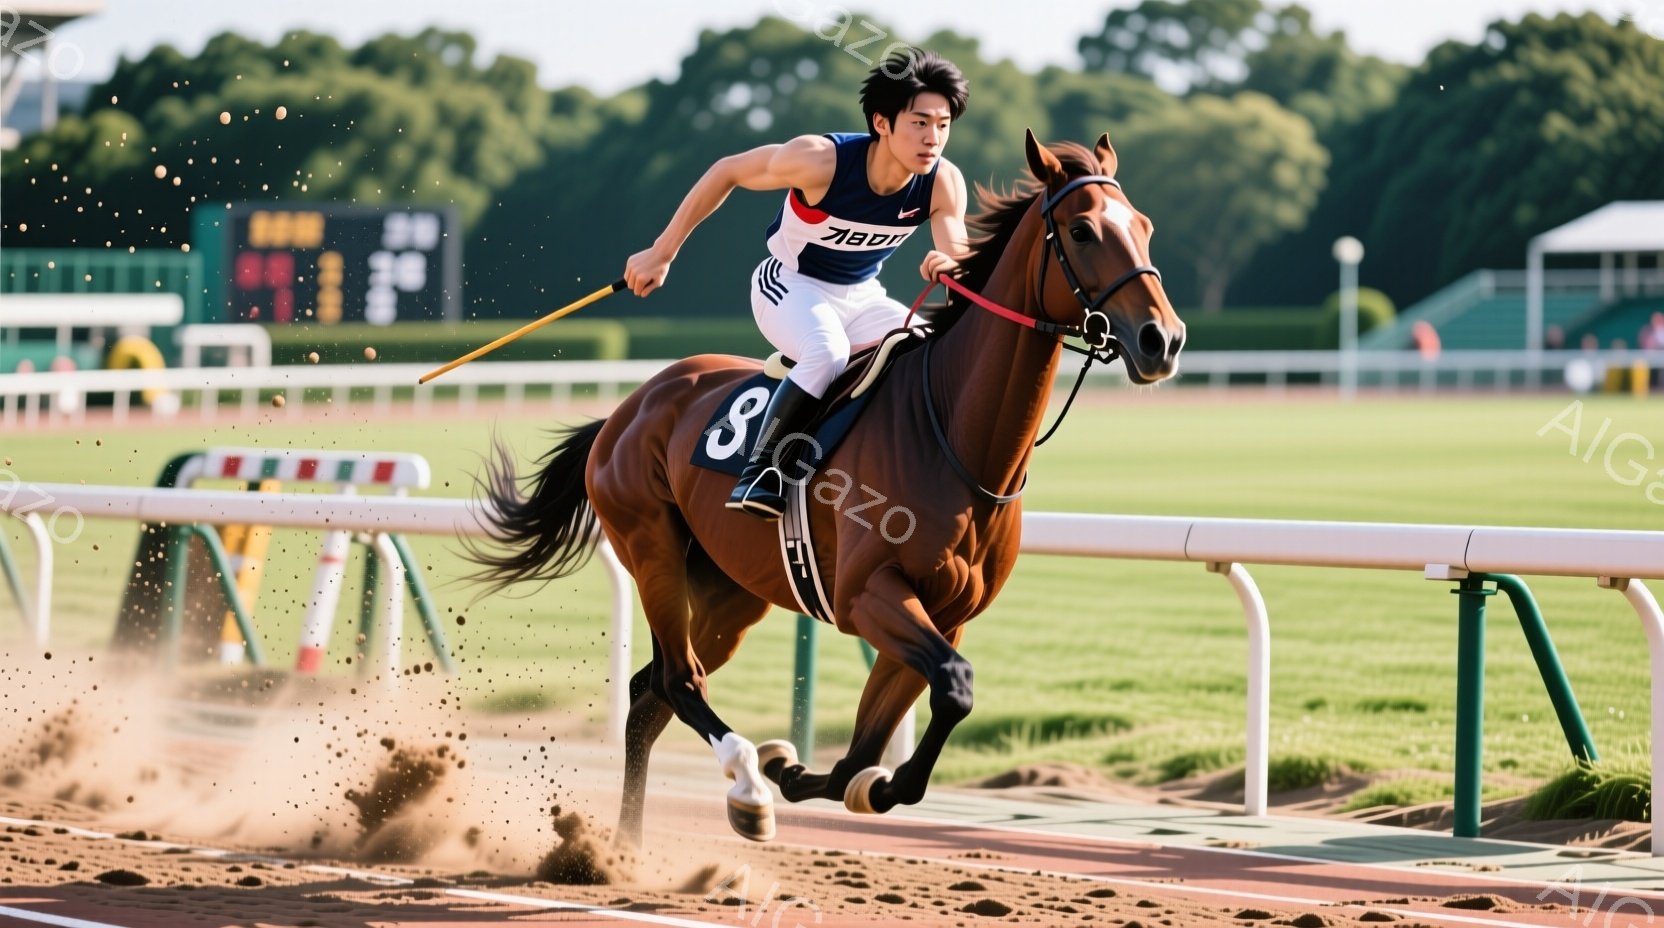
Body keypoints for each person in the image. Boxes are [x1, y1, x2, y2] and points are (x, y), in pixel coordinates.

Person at [623, 48, 971, 520]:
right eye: (920, 123)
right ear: (882, 122)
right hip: (790, 284)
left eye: (944, 125)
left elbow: (957, 253)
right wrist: (661, 252)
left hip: (864, 295)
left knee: (926, 347)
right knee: (827, 351)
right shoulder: (818, 160)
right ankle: (763, 471)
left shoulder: (943, 182)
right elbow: (727, 170)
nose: (934, 138)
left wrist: (949, 267)